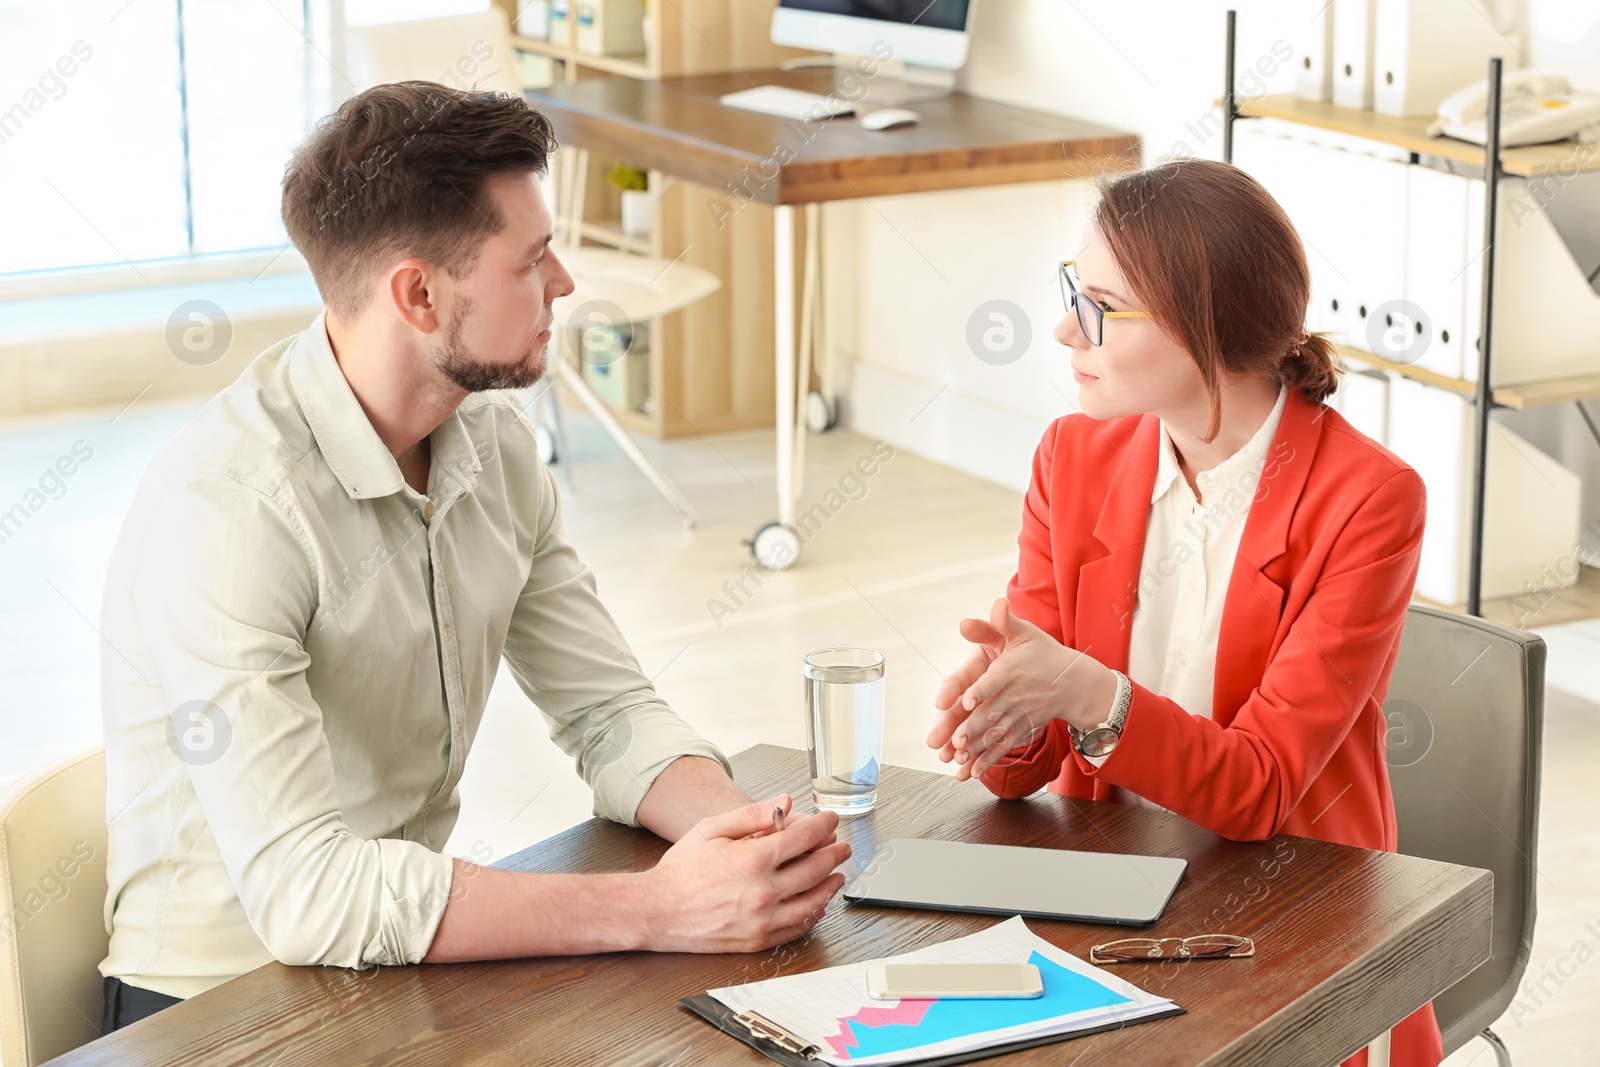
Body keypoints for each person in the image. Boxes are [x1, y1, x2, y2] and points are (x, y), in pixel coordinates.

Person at [96, 81, 849, 1033]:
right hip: (213, 1009)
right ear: (418, 293)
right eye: (532, 259)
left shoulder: (492, 442)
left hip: (399, 965)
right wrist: (660, 907)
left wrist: (740, 838)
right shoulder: (232, 510)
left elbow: (608, 708)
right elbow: (305, 893)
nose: (565, 283)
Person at [924, 158, 1440, 1067]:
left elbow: (1262, 788)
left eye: (1099, 306)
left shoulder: (1368, 498)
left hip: (1291, 919)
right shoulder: (1073, 457)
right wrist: (1001, 710)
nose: (1062, 329)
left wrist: (1089, 692)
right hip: (1115, 907)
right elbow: (1024, 772)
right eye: (1069, 293)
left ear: (1201, 327)